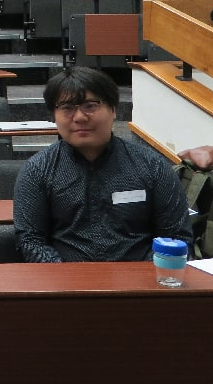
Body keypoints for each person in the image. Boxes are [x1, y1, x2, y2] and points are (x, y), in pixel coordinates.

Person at [13, 66, 192, 263]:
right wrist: (65, 276)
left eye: (90, 106)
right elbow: (31, 241)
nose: (79, 117)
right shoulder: (38, 170)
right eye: (67, 108)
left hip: (140, 278)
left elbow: (175, 237)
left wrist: (141, 275)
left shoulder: (153, 167)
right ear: (54, 115)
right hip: (66, 277)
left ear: (113, 109)